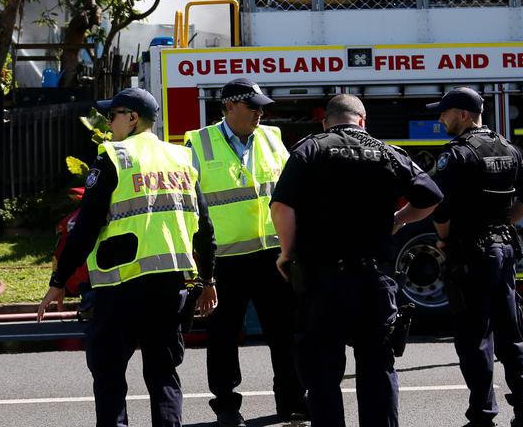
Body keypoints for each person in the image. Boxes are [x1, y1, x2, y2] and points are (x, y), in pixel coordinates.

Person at [38, 87, 219, 427]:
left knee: (109, 375)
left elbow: (86, 228)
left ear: (133, 118)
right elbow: (205, 229)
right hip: (171, 287)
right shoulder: (181, 158)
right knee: (164, 375)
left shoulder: (115, 156)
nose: (108, 123)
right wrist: (208, 280)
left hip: (119, 286)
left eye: (113, 115)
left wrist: (59, 281)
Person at [270, 94, 442, 427]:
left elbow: (281, 207)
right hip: (374, 280)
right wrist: (399, 219)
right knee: (377, 367)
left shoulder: (311, 149)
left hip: (325, 281)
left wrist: (287, 253)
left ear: (326, 121)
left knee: (322, 371)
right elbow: (432, 195)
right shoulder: (387, 151)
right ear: (362, 121)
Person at [185, 78, 305, 427]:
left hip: (272, 254)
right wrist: (200, 268)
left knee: (284, 332)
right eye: (253, 106)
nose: (260, 112)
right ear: (230, 107)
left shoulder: (271, 137)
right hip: (224, 259)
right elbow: (191, 206)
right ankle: (226, 406)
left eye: (262, 106)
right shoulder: (199, 143)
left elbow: (289, 190)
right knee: (223, 336)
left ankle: (293, 400)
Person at [427, 87, 523, 427]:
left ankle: (482, 415)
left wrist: (444, 240)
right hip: (503, 249)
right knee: (509, 333)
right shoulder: (506, 147)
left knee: (474, 338)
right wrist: (505, 222)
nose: (440, 118)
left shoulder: (457, 154)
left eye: (445, 113)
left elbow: (440, 205)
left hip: (471, 254)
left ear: (463, 114)